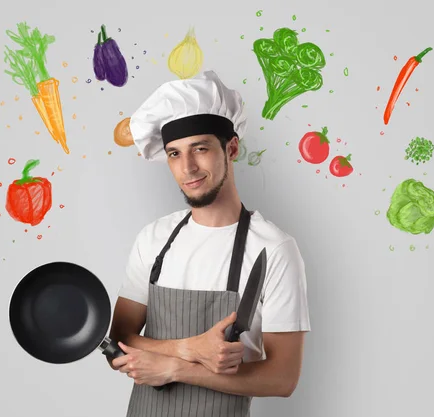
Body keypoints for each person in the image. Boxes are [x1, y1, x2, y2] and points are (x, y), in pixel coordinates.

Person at [107, 70, 311, 417]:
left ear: (231, 148)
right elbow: (117, 346)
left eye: (199, 148)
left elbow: (282, 378)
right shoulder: (153, 240)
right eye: (174, 154)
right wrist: (191, 348)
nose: (187, 168)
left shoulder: (274, 250)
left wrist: (176, 369)